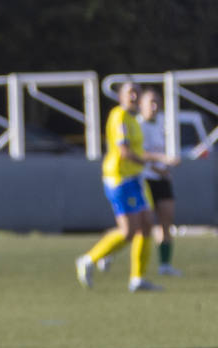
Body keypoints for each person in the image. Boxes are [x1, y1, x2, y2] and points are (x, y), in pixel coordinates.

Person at [75, 80, 175, 293]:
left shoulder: (133, 120)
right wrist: (156, 161)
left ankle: (137, 278)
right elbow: (124, 152)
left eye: (137, 93)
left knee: (147, 224)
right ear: (120, 96)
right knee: (128, 231)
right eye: (130, 93)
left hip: (136, 178)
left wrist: (154, 164)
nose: (134, 96)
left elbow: (139, 152)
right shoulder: (119, 116)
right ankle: (89, 259)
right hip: (119, 178)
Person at [136, 88, 182, 277]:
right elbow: (139, 155)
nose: (154, 107)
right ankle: (111, 253)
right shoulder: (137, 125)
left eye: (157, 102)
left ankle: (165, 265)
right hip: (144, 179)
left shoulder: (163, 123)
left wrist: (166, 165)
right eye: (150, 103)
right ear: (141, 105)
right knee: (138, 226)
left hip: (162, 179)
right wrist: (162, 163)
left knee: (167, 219)